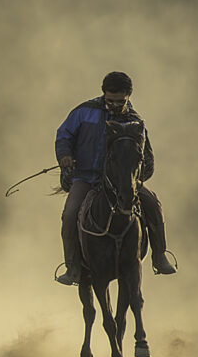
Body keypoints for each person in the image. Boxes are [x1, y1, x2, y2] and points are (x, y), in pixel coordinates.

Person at [54, 71, 177, 286]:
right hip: (86, 178)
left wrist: (136, 177)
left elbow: (146, 156)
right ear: (103, 95)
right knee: (70, 213)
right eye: (109, 101)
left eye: (119, 102)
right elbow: (64, 135)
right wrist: (65, 156)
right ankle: (72, 266)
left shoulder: (135, 122)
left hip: (122, 183)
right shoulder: (83, 112)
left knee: (153, 204)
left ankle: (160, 257)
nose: (113, 106)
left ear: (128, 96)